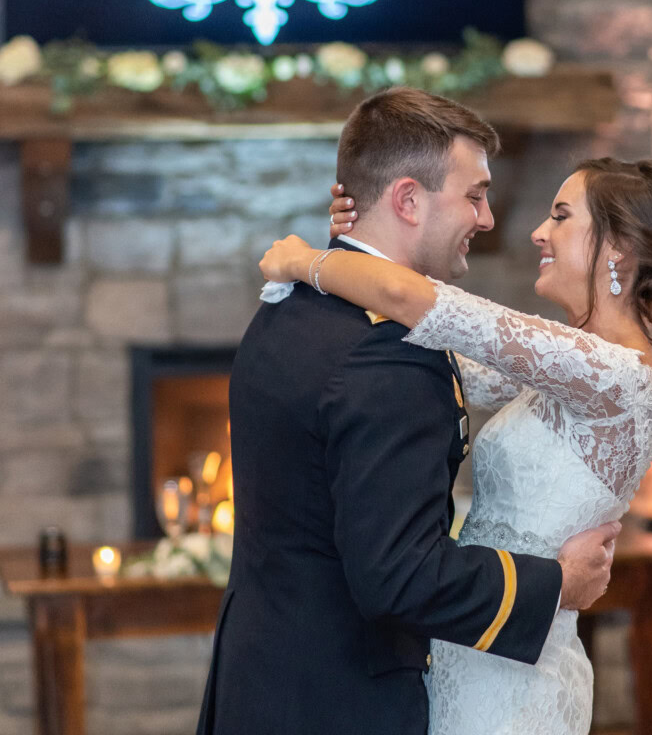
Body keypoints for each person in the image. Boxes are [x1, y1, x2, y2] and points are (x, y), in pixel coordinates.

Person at [260, 140, 652, 735]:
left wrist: (303, 261)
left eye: (560, 216)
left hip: (516, 681)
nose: (536, 232)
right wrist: (363, 243)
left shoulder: (616, 374)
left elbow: (418, 304)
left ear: (621, 250)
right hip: (472, 644)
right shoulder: (569, 364)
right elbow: (425, 352)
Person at [196, 88, 621, 735]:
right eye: (474, 195)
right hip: (340, 703)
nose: (487, 217)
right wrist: (555, 585)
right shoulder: (386, 357)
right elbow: (401, 576)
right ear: (407, 199)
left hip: (263, 678)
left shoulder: (293, 302)